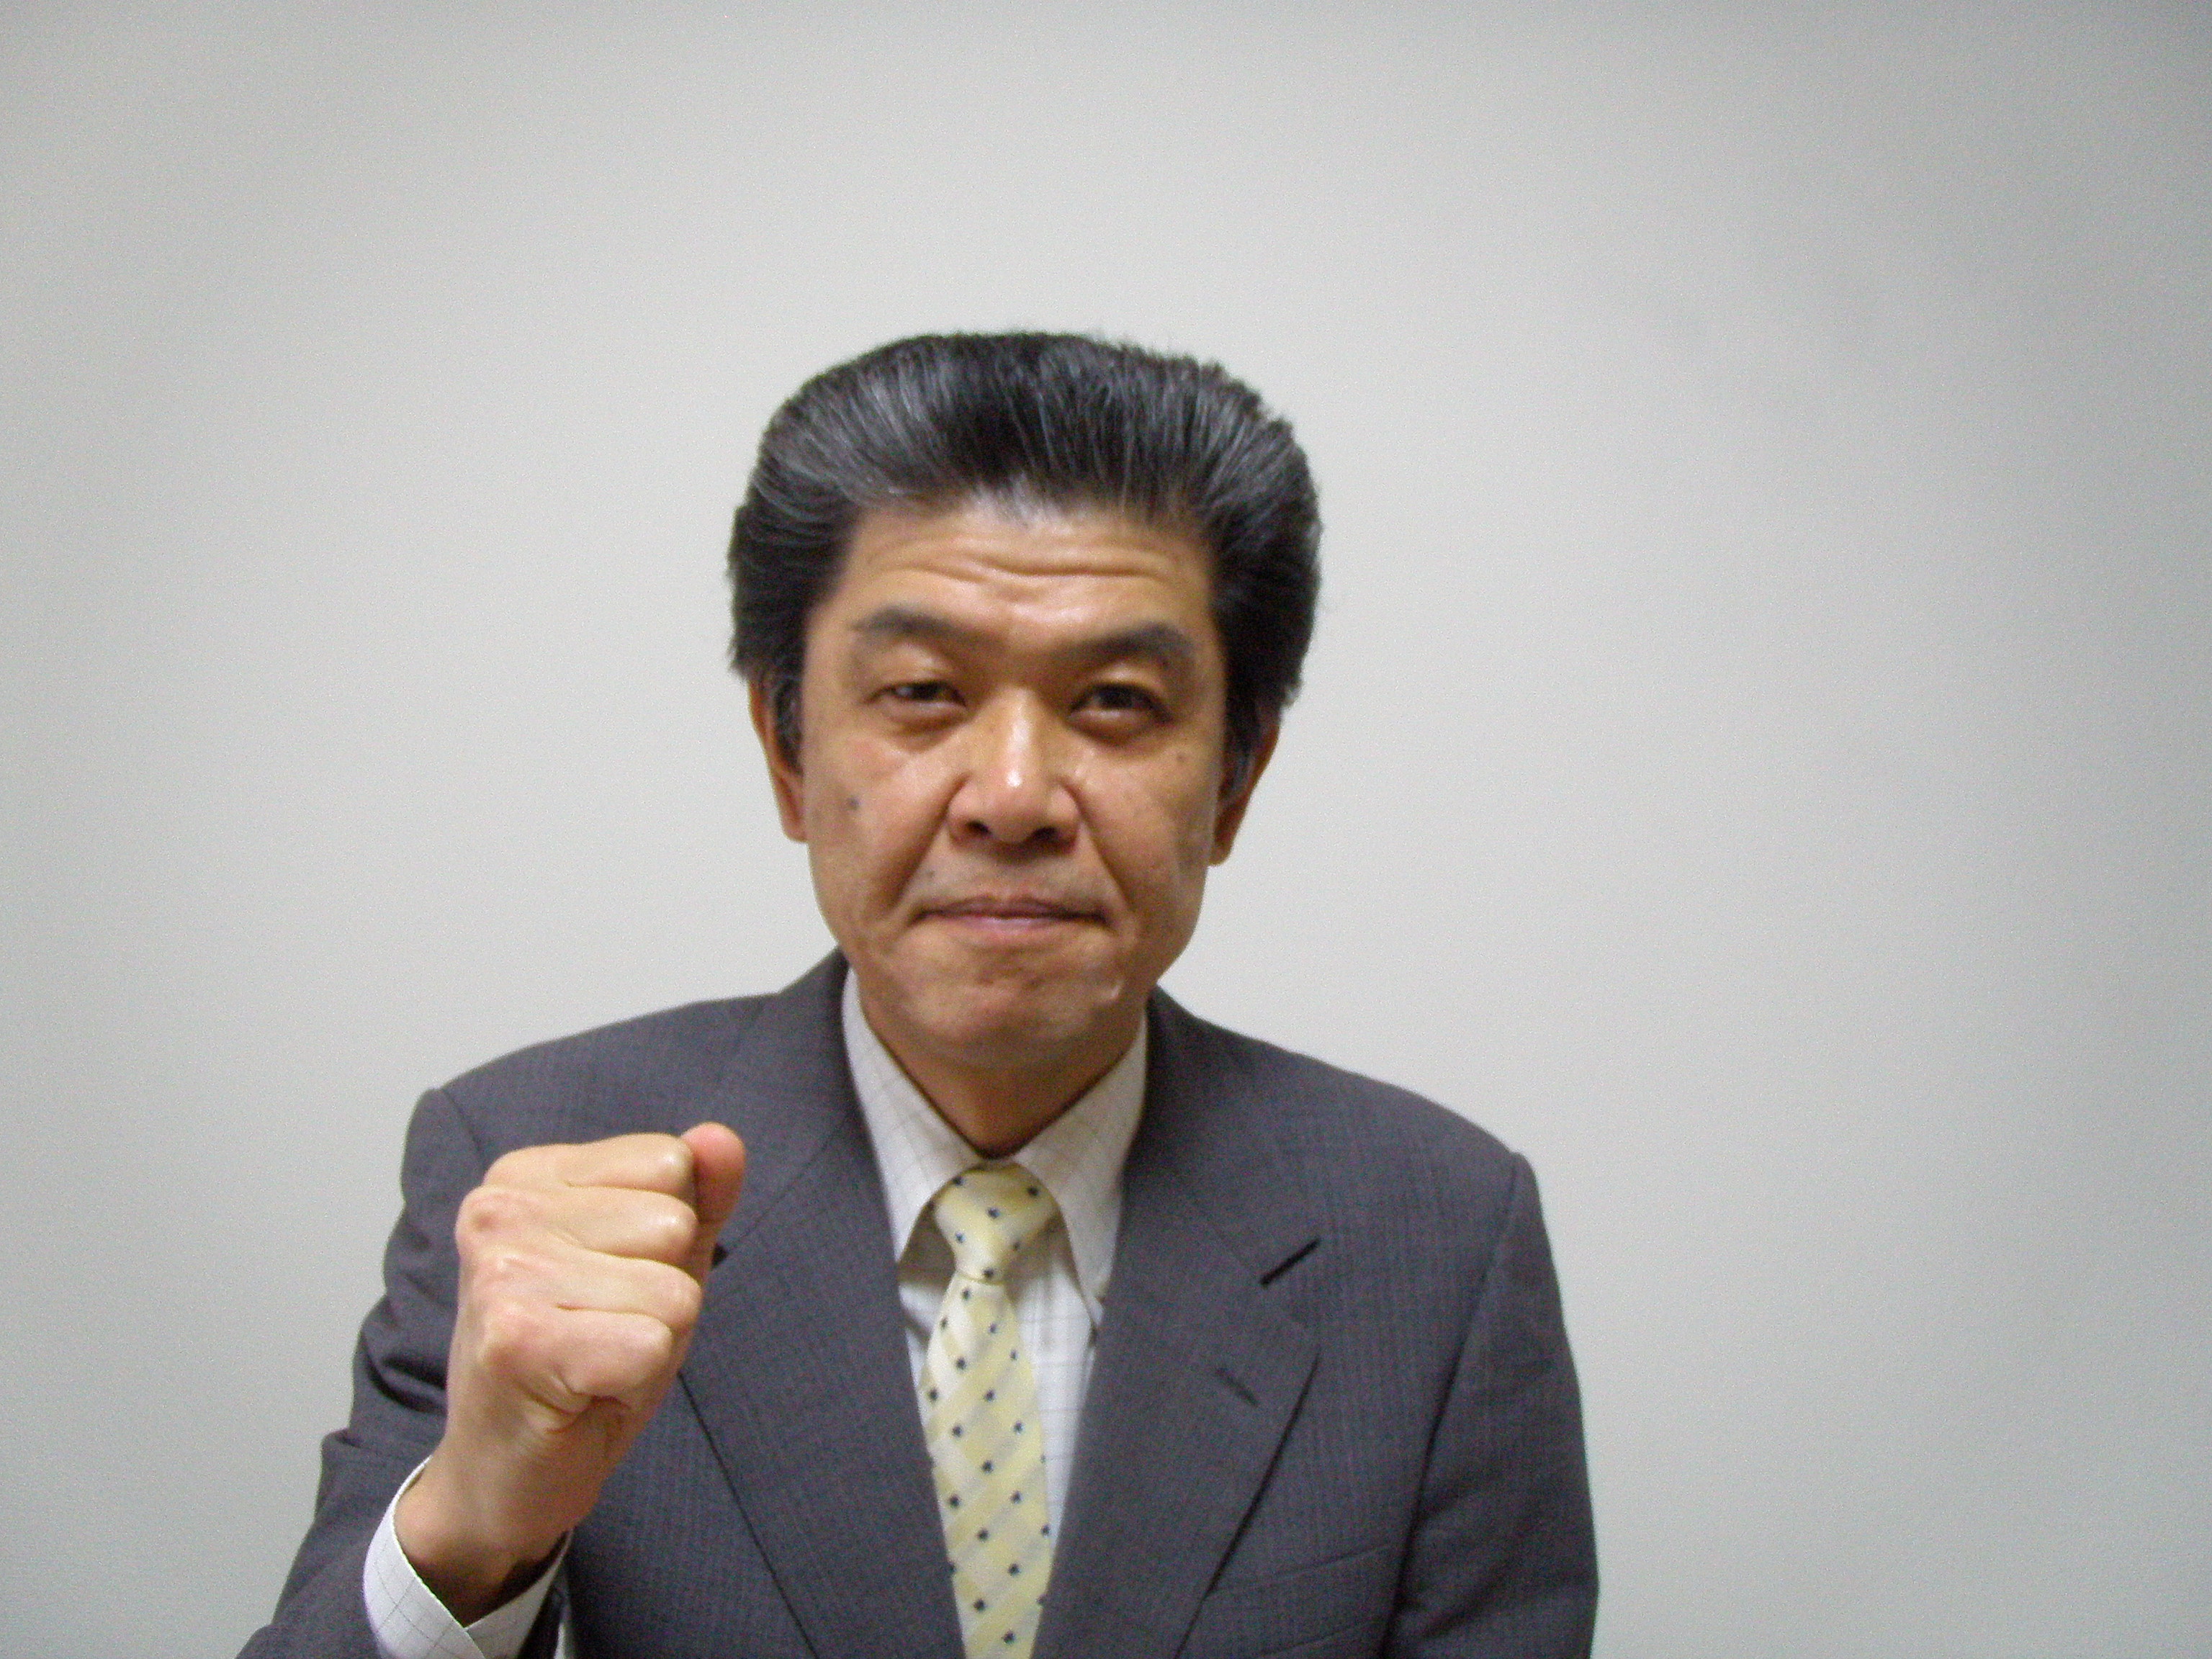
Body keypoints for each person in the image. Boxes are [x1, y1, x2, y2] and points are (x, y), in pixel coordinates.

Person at [240, 333, 1597, 1659]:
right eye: (924, 691)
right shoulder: (530, 1168)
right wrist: (477, 1528)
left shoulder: (1438, 1239)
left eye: (1117, 701)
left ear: (1235, 778)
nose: (1012, 797)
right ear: (787, 752)